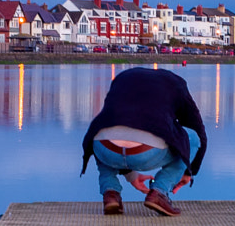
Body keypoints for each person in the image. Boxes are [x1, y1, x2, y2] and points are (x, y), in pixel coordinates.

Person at [80, 66, 207, 216]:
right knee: (192, 137)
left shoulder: (122, 78)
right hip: (145, 153)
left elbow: (118, 125)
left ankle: (111, 193)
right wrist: (188, 171)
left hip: (105, 149)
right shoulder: (176, 83)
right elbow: (197, 129)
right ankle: (159, 192)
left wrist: (131, 175)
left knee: (103, 131)